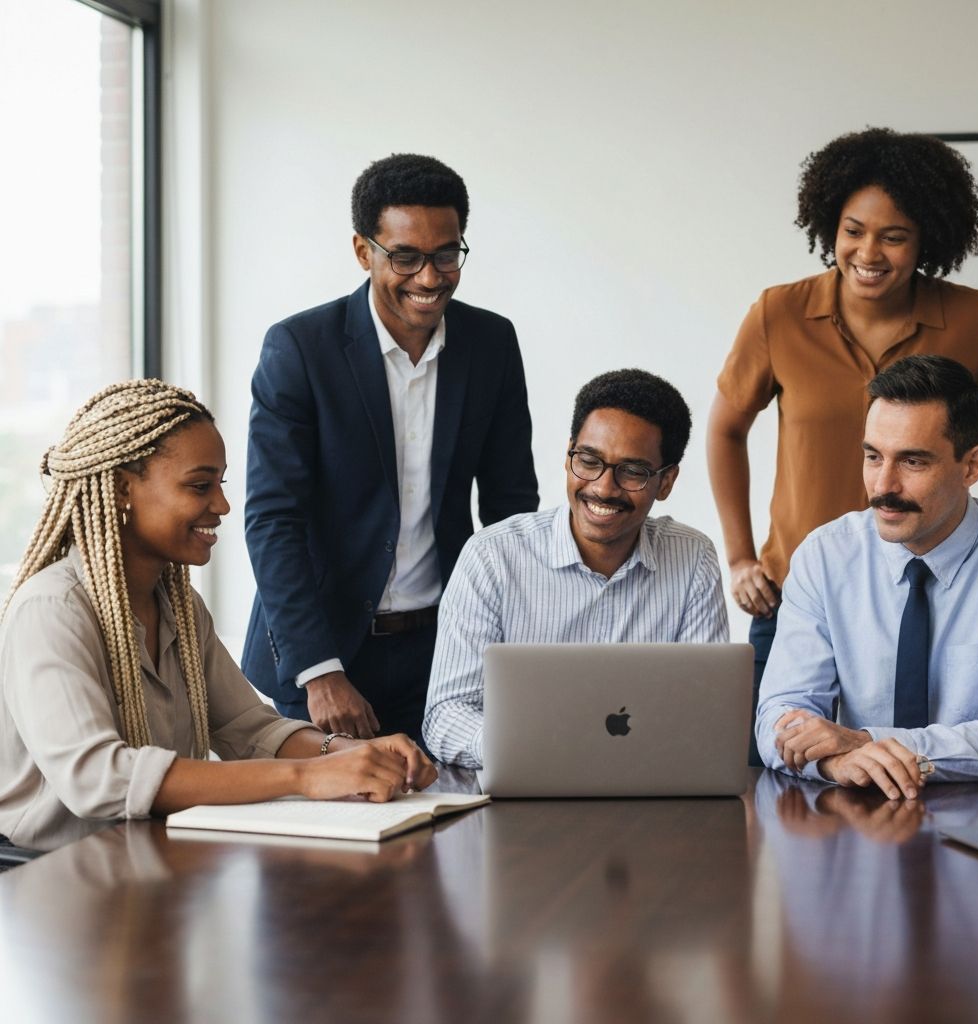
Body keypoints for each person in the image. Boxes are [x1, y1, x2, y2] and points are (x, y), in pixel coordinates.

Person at [0, 380, 436, 851]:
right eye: (199, 486)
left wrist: (353, 753)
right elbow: (99, 779)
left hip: (148, 857)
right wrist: (310, 776)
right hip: (50, 877)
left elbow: (250, 730)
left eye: (220, 485)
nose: (223, 506)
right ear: (124, 489)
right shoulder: (52, 610)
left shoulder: (181, 607)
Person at [707, 128, 978, 766]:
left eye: (894, 235)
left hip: (949, 589)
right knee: (776, 765)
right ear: (830, 226)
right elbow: (724, 428)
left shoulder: (975, 318)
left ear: (927, 238)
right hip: (805, 590)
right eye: (853, 230)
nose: (867, 251)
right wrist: (740, 557)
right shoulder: (779, 314)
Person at [242, 153, 538, 745]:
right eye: (405, 257)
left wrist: (518, 650)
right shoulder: (300, 349)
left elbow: (512, 508)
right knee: (323, 834)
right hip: (324, 657)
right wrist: (319, 671)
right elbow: (273, 519)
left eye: (447, 254)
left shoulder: (492, 344)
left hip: (447, 650)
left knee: (457, 828)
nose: (430, 278)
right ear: (363, 251)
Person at [424, 369, 729, 768]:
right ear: (569, 453)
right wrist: (525, 750)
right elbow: (446, 715)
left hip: (649, 798)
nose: (603, 488)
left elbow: (704, 715)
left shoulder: (693, 561)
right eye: (589, 461)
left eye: (633, 471)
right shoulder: (492, 557)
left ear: (666, 481)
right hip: (523, 795)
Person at [756, 356, 978, 797]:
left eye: (913, 462)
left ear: (972, 466)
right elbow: (780, 715)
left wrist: (870, 742)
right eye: (872, 456)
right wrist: (837, 761)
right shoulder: (826, 556)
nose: (884, 485)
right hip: (855, 820)